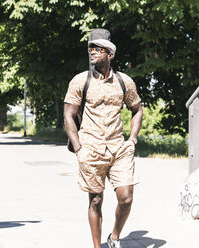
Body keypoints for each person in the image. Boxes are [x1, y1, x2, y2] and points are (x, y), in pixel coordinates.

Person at [64, 28, 143, 248]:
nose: (91, 52)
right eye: (89, 48)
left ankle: (114, 237)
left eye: (97, 49)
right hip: (91, 147)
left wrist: (132, 140)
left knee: (126, 198)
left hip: (119, 148)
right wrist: (79, 149)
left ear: (110, 54)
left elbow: (137, 109)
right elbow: (68, 116)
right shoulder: (80, 81)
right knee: (96, 200)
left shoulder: (124, 81)